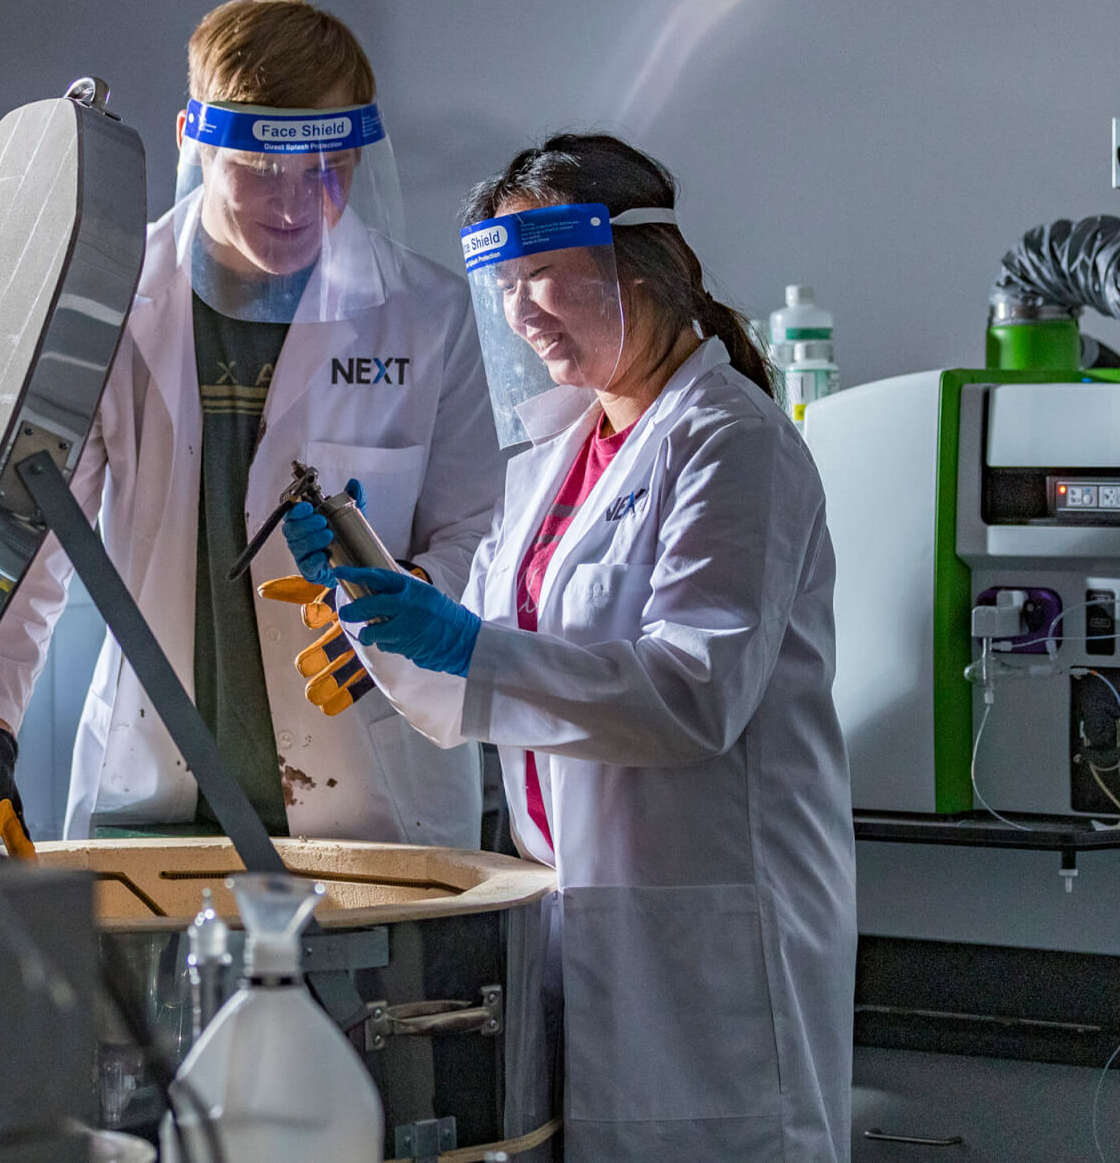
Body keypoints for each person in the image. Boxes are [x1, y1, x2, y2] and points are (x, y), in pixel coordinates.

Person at [294, 134, 856, 1159]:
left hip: (708, 933)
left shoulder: (731, 441)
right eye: (505, 285)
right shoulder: (554, 459)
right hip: (576, 912)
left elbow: (692, 694)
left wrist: (467, 645)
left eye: (543, 273)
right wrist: (369, 593)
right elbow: (466, 688)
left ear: (645, 267)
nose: (521, 312)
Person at [0, 0, 503, 849]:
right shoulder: (112, 304)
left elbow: (482, 533)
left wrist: (412, 602)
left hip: (379, 801)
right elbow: (34, 544)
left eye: (328, 171)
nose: (294, 206)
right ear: (194, 136)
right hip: (154, 795)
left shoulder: (427, 315)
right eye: (259, 172)